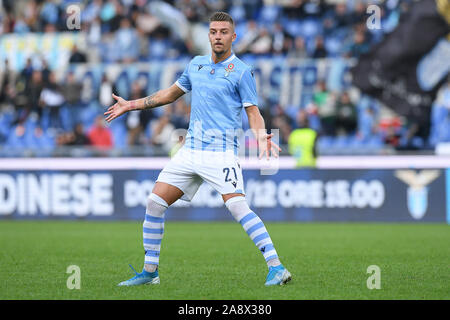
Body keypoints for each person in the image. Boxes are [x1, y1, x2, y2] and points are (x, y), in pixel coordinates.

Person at [105, 11, 291, 287]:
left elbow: (253, 111)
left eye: (224, 32)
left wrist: (261, 136)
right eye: (214, 31)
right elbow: (169, 95)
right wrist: (130, 104)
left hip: (221, 152)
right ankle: (150, 272)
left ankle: (277, 267)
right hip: (190, 151)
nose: (218, 36)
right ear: (208, 35)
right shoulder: (196, 65)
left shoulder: (241, 71)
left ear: (233, 36)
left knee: (238, 206)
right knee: (154, 203)